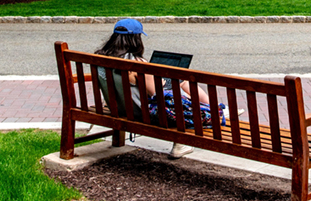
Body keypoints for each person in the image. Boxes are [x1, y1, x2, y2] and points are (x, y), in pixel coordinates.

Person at [94, 18, 223, 159]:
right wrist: (164, 81)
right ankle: (191, 132)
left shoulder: (99, 58)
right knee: (179, 84)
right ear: (135, 39)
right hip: (142, 113)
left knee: (179, 82)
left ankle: (211, 107)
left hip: (117, 108)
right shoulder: (136, 64)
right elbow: (157, 94)